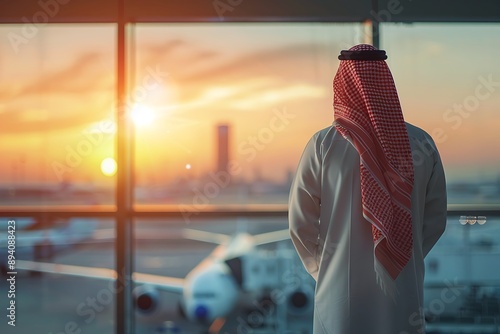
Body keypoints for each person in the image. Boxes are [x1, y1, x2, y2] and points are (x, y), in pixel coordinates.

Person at [288, 44, 447, 334]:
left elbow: (300, 225)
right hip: (403, 286)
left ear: (343, 83)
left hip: (340, 295)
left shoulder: (322, 144)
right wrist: (402, 256)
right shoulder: (422, 142)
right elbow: (435, 219)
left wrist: (326, 269)